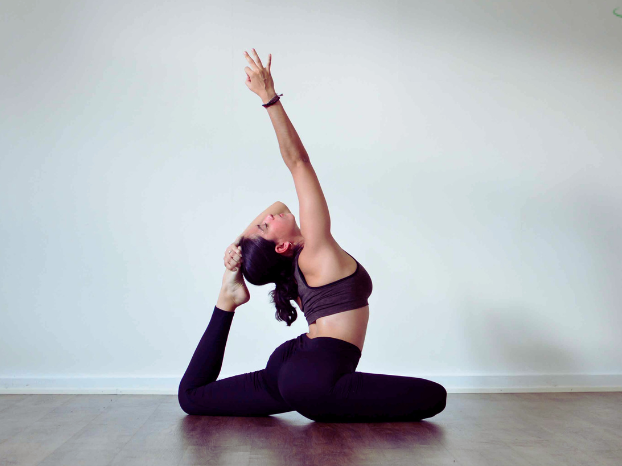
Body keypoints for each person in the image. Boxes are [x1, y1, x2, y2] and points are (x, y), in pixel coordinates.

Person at [177, 49, 447, 422]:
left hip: (293, 364)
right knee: (434, 397)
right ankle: (327, 402)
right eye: (264, 226)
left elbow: (275, 204)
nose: (267, 215)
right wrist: (269, 98)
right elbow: (299, 163)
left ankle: (227, 300)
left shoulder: (297, 270)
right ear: (284, 246)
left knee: (192, 398)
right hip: (317, 377)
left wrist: (239, 247)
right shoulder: (315, 253)